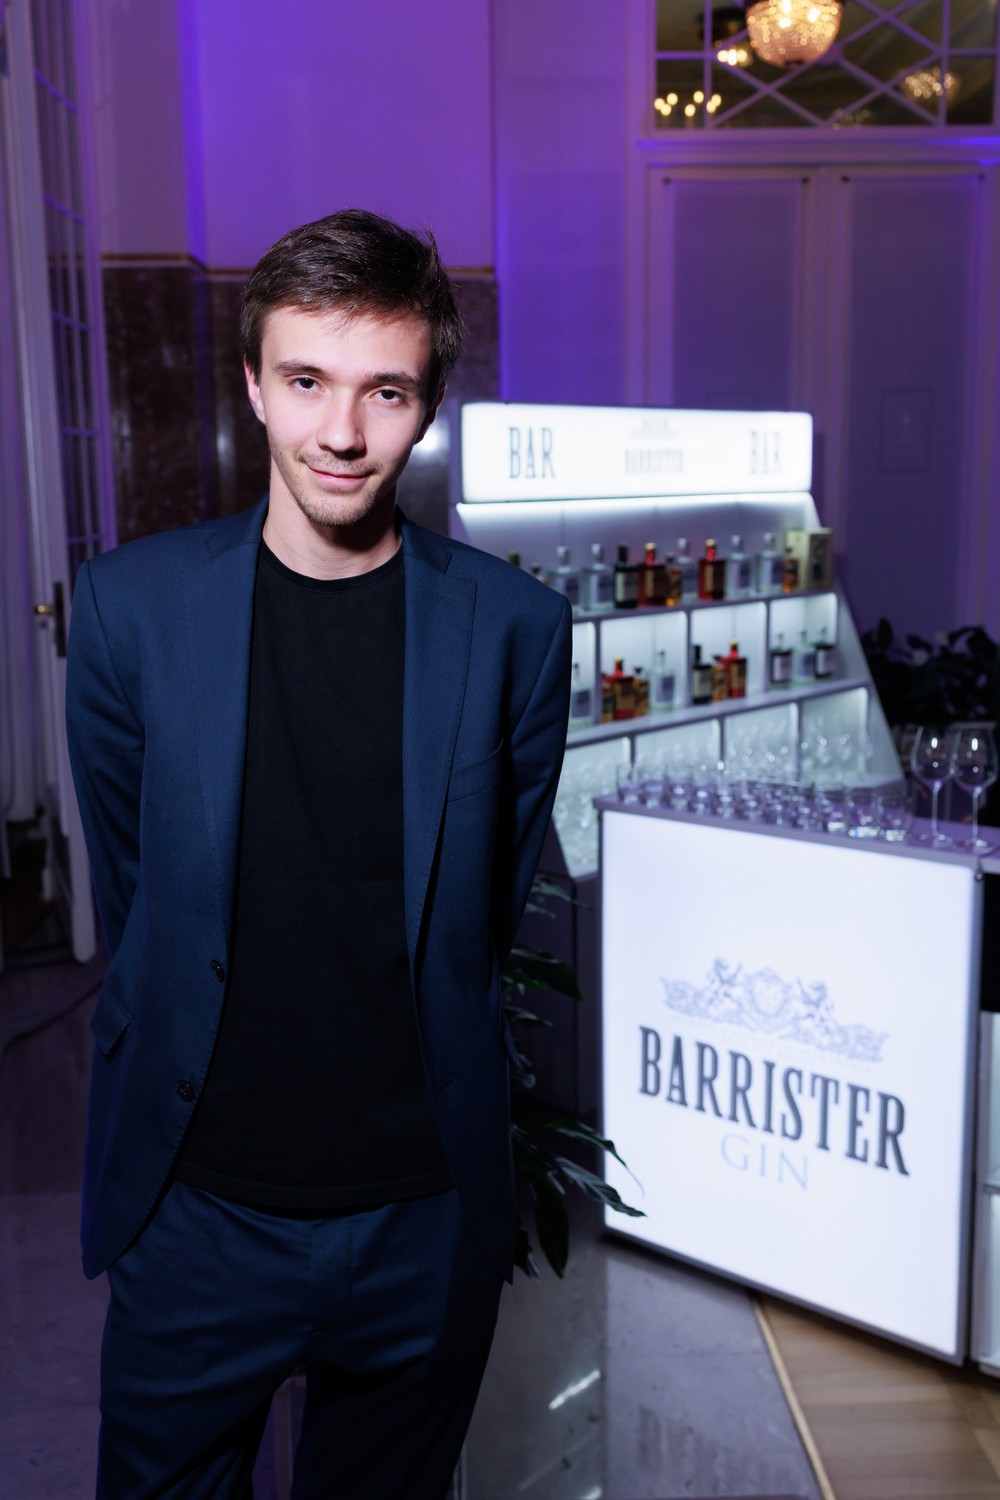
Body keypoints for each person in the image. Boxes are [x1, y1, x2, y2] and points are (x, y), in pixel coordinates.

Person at [66, 208, 572, 1499]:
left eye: (384, 391)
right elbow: (138, 900)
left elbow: (483, 912)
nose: (341, 432)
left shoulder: (514, 630)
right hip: (196, 1211)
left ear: (429, 404)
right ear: (252, 383)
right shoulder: (130, 610)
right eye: (306, 381)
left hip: (422, 1218)